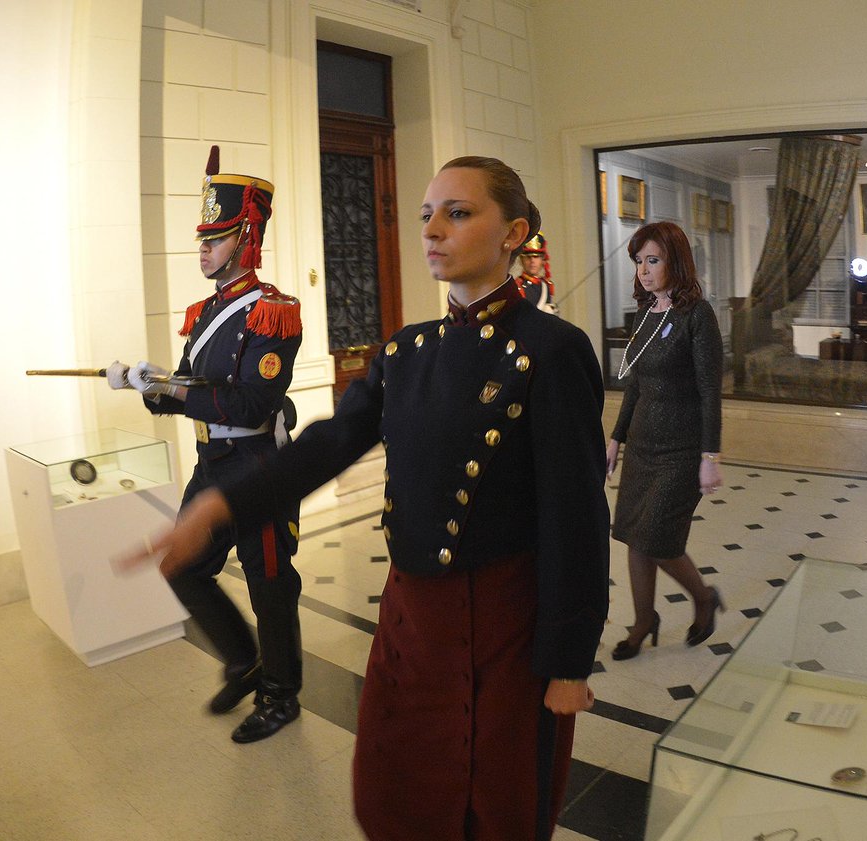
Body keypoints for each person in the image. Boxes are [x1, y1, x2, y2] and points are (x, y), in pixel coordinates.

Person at [117, 156, 610, 840]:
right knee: (400, 793)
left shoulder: (551, 349)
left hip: (505, 622)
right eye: (426, 215)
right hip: (414, 617)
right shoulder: (407, 350)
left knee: (497, 805)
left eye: (458, 213)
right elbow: (329, 442)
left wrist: (568, 661)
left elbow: (577, 516)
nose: (433, 229)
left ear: (513, 232)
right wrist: (219, 507)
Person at [107, 146, 304, 744]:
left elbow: (251, 404)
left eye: (215, 238)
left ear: (246, 237)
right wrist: (148, 384)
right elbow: (192, 388)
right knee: (182, 565)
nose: (203, 248)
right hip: (212, 462)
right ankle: (243, 659)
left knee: (269, 580)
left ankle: (280, 693)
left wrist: (174, 390)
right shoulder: (206, 311)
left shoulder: (272, 313)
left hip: (258, 463)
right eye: (202, 238)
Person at [605, 220, 724, 661]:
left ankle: (703, 596)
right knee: (635, 536)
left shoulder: (698, 315)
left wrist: (710, 456)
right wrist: (616, 439)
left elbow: (711, 391)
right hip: (643, 446)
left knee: (657, 537)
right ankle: (642, 621)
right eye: (639, 262)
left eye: (653, 260)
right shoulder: (644, 315)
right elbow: (634, 385)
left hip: (681, 450)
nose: (644, 271)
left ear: (675, 261)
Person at [515, 232, 558, 314]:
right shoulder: (517, 286)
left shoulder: (547, 285)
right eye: (528, 257)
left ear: (543, 260)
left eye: (536, 257)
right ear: (521, 260)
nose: (532, 261)